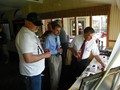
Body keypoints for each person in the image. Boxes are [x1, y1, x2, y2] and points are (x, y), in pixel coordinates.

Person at [15, 12, 51, 90]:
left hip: (34, 71)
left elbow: (33, 49)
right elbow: (29, 58)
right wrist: (45, 55)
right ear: (26, 22)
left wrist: (43, 51)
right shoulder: (25, 35)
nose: (38, 27)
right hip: (31, 73)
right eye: (35, 24)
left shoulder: (30, 32)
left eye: (38, 24)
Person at [44, 21, 63, 90]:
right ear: (52, 29)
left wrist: (60, 49)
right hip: (53, 57)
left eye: (59, 31)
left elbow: (59, 45)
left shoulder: (57, 37)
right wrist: (56, 51)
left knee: (59, 73)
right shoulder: (48, 38)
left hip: (59, 56)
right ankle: (54, 88)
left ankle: (56, 86)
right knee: (54, 75)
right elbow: (45, 51)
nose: (59, 32)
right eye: (57, 30)